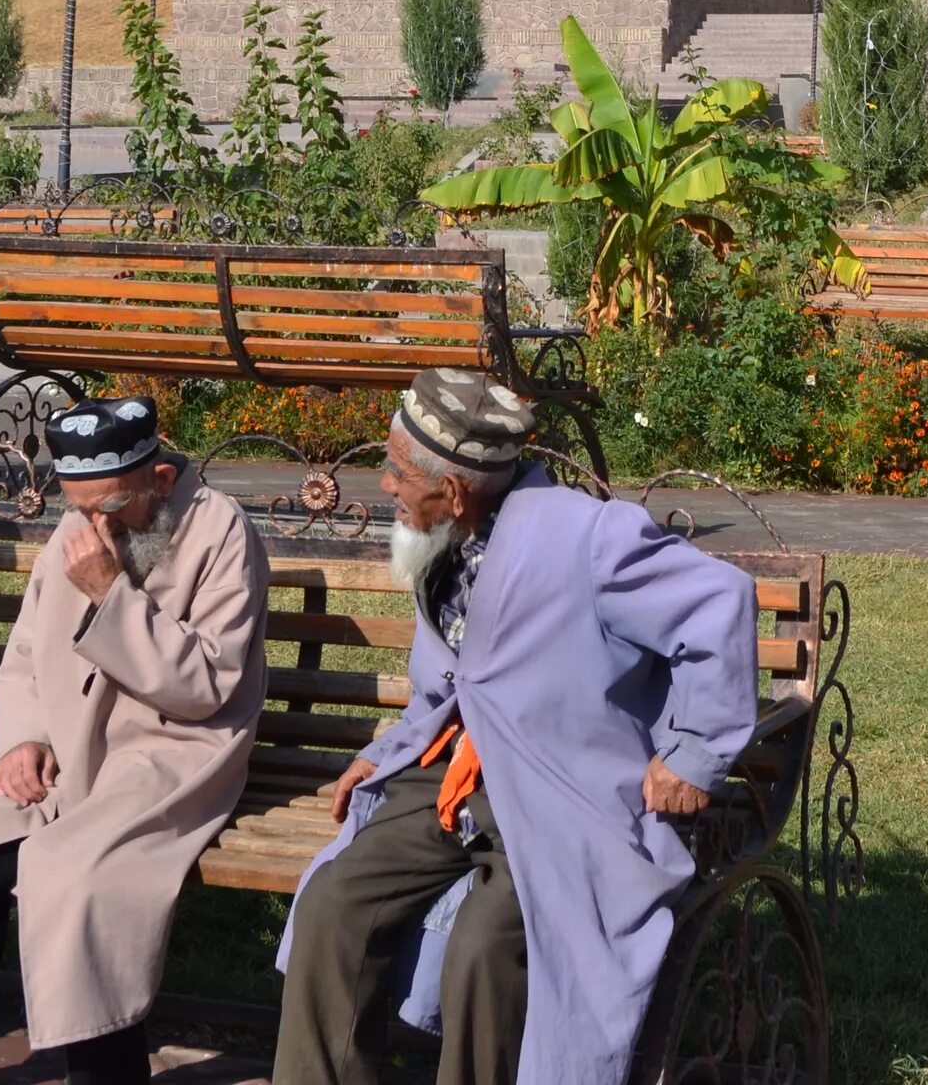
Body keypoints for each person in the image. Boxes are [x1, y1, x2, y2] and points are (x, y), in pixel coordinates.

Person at [274, 368, 759, 1085]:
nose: (385, 486)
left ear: (458, 489)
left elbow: (718, 605)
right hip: (458, 774)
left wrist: (693, 753)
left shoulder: (587, 538)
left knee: (485, 948)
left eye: (399, 470)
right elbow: (446, 685)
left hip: (564, 789)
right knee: (333, 904)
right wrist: (390, 751)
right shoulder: (442, 540)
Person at [0, 396, 267, 1085]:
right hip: (65, 753)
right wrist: (23, 738)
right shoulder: (81, 522)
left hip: (170, 756)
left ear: (158, 480)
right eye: (78, 506)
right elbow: (27, 656)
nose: (91, 526)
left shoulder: (221, 532)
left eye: (109, 507)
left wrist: (108, 594)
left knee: (78, 879)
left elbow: (208, 685)